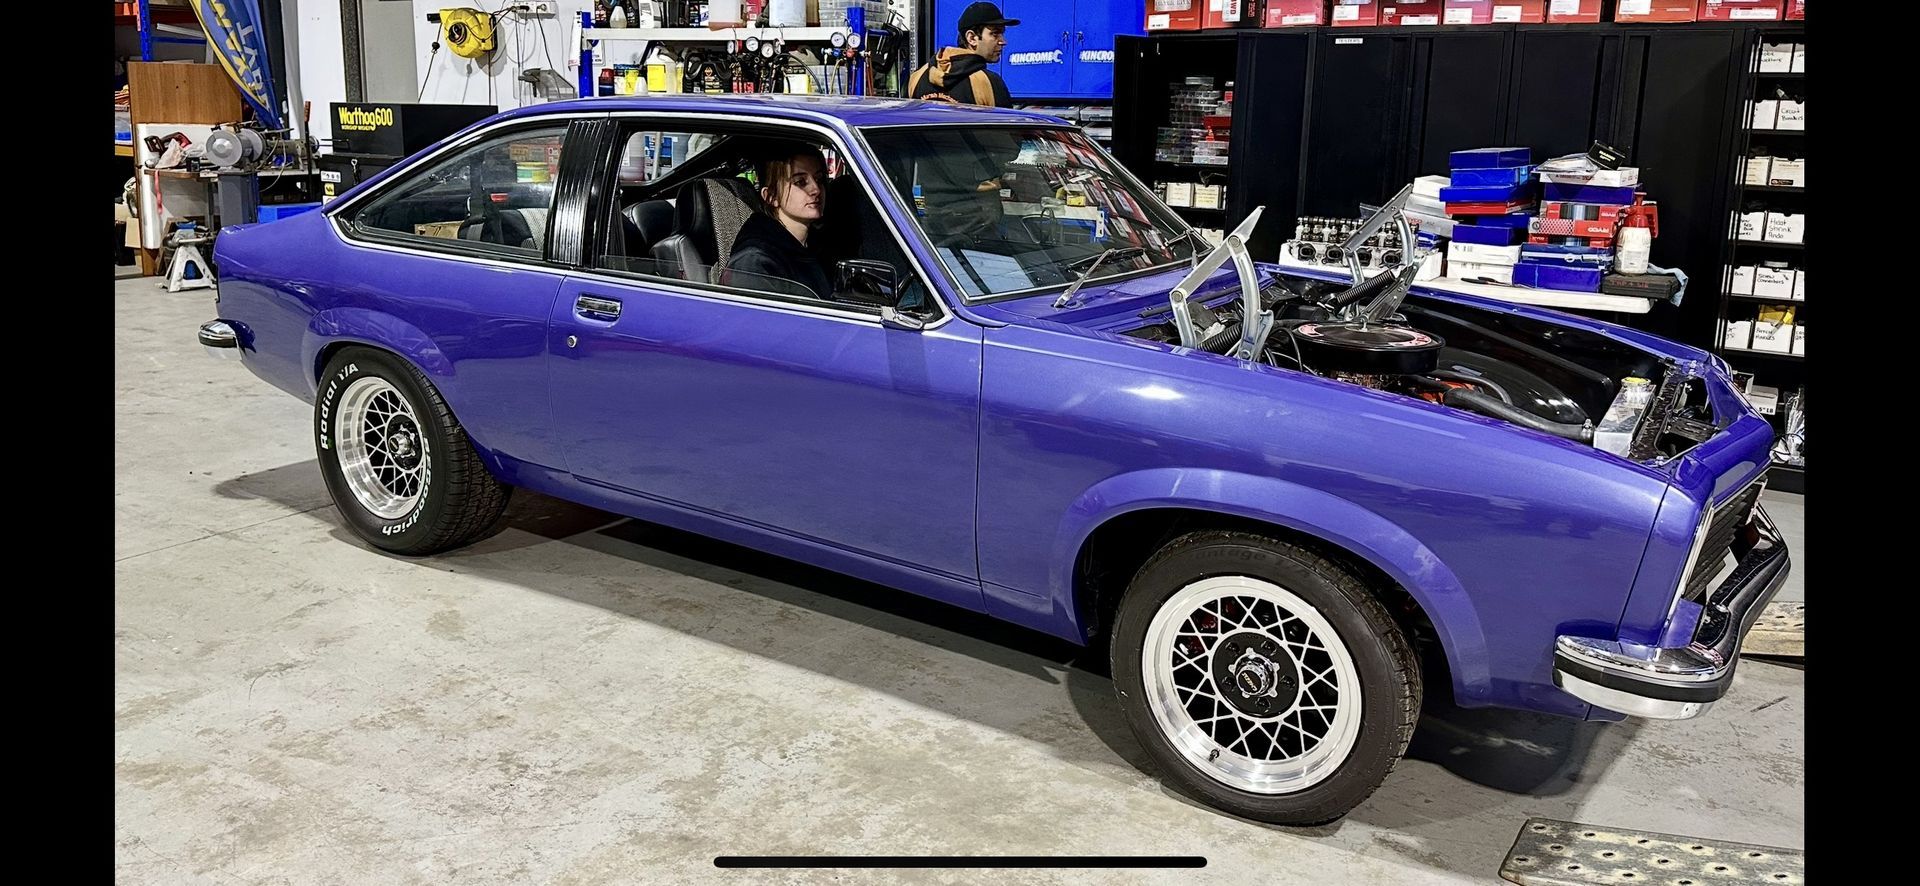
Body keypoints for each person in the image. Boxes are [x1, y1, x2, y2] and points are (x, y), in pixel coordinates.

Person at [726, 146, 833, 301]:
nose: (816, 189)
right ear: (771, 196)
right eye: (800, 182)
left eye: (819, 179)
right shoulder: (756, 261)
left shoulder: (819, 244)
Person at [909, 2, 1018, 108]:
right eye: (995, 33)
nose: (1003, 41)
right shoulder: (988, 83)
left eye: (1002, 33)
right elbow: (1008, 125)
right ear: (971, 38)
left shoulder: (917, 77)